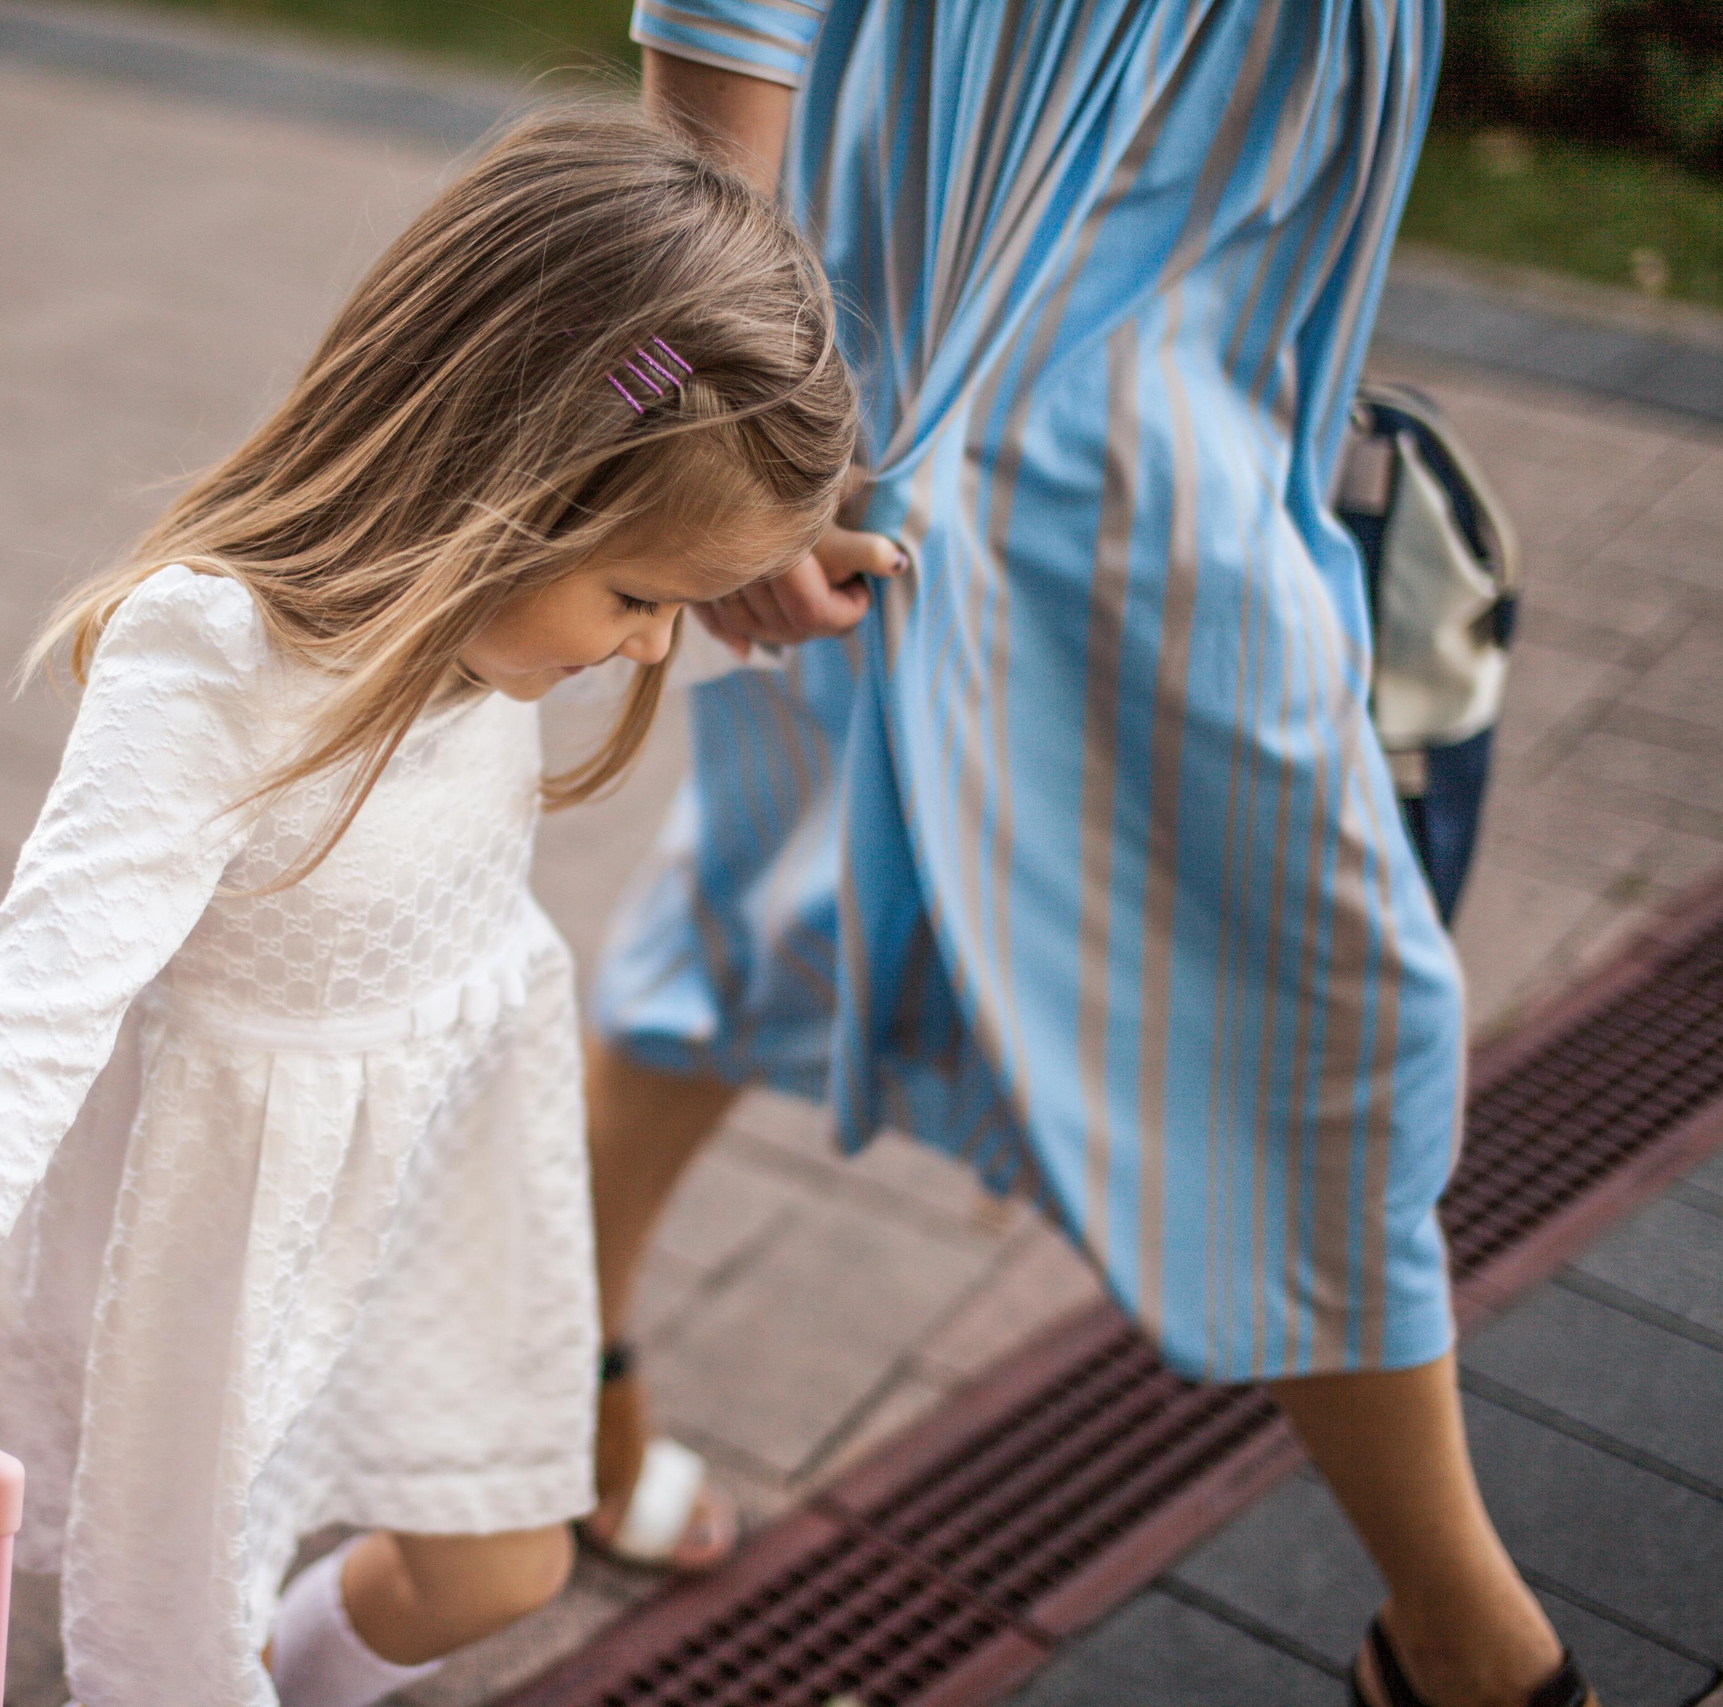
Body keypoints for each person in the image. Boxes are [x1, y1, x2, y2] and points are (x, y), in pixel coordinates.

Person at [0, 111, 856, 1707]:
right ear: (506, 499)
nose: (652, 648)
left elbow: (641, 451)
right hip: (222, 1253)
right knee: (178, 1648)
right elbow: (19, 1018)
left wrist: (742, 558)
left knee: (505, 1557)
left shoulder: (518, 589)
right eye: (639, 599)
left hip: (443, 1174)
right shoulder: (217, 668)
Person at [581, 8, 1598, 1707]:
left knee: (761, 913)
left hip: (1133, 408)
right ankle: (1471, 1651)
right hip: (982, 449)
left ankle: (559, 1392)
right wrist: (718, 428)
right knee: (1335, 1026)